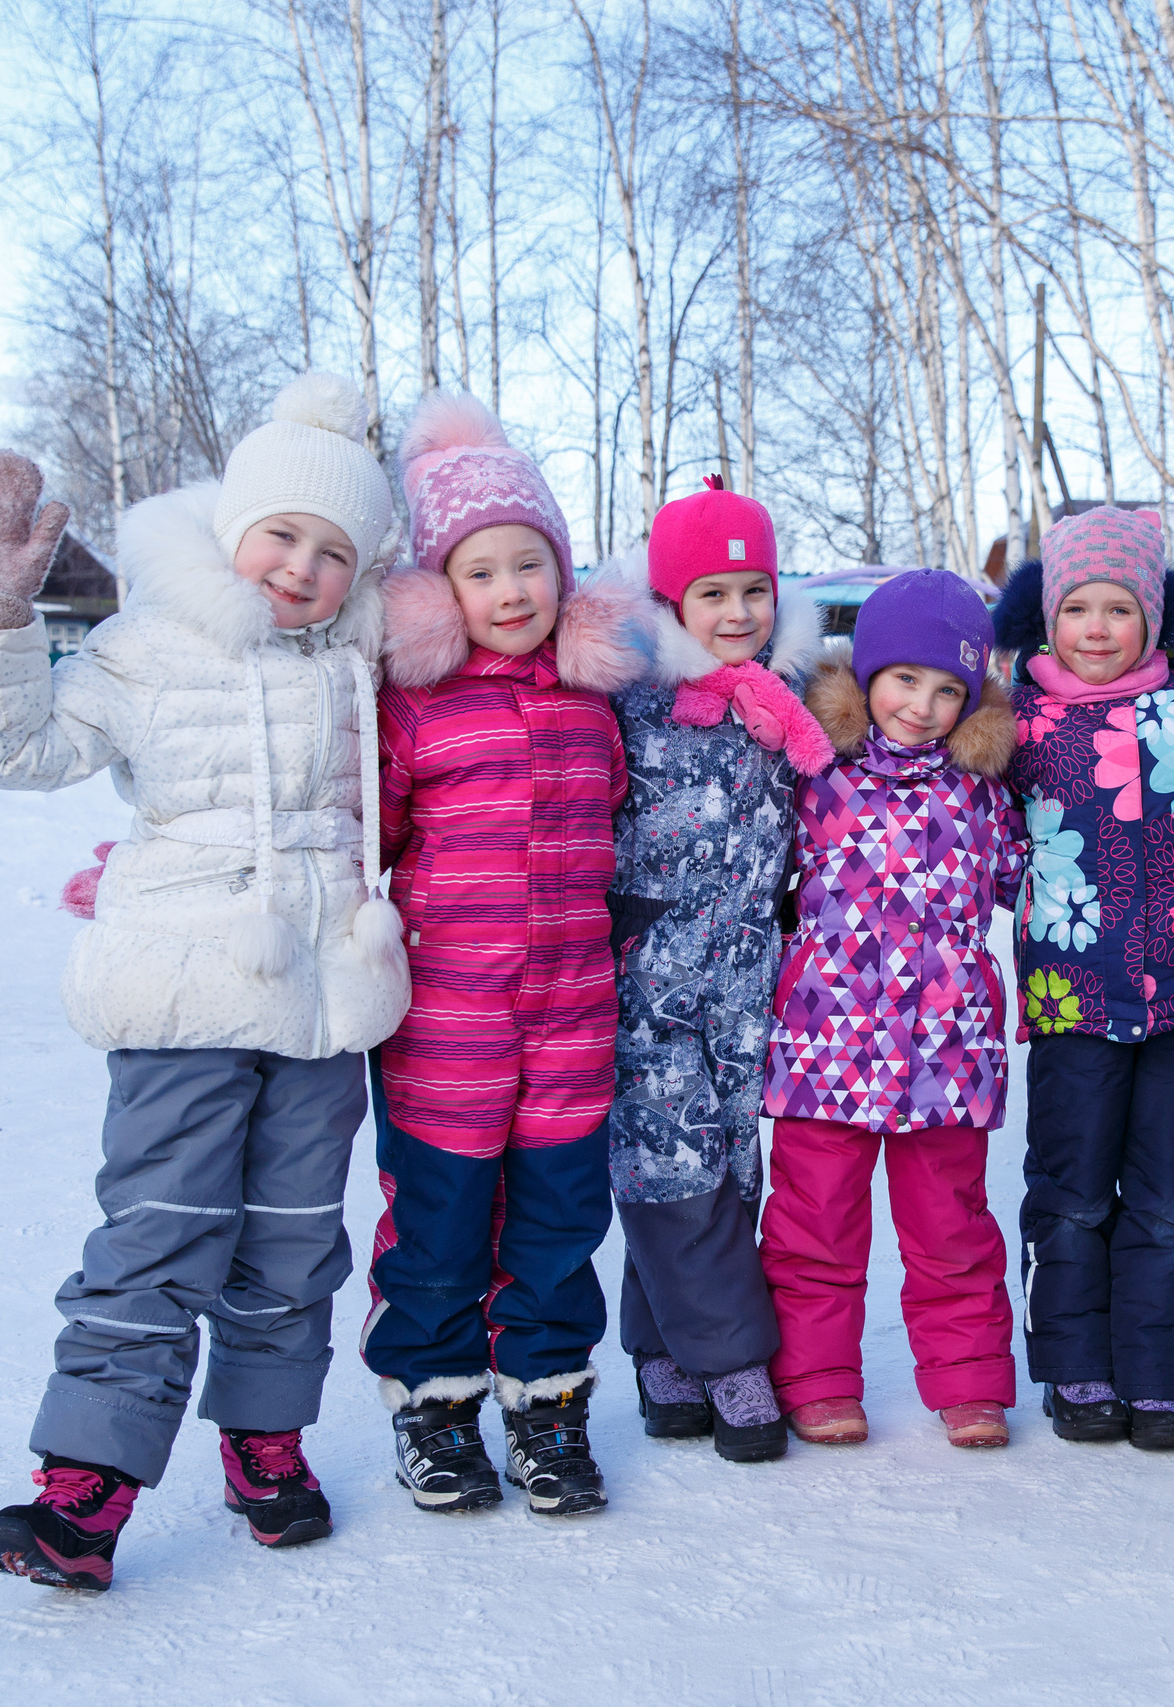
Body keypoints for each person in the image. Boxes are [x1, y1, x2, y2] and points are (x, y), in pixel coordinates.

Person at [0, 375, 410, 1589]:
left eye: (334, 550)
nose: (300, 566)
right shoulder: (150, 645)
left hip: (320, 1000)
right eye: (282, 534)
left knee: (297, 1244)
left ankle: (265, 1442)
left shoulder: (365, 667)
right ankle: (85, 1487)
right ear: (232, 528)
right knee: (158, 1234)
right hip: (185, 986)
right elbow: (23, 749)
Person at [363, 393, 651, 1518]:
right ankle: (434, 1411)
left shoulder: (594, 709)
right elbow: (365, 838)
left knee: (557, 1225)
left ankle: (548, 1406)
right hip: (447, 1028)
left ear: (561, 575)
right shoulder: (414, 709)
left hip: (573, 1022)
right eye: (481, 572)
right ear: (443, 589)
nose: (510, 591)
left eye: (529, 564)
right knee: (436, 1224)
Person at [988, 505, 1174, 1452]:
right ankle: (1076, 1368)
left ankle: (1158, 1378)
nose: (1097, 629)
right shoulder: (1015, 720)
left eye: (1120, 609)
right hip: (1074, 993)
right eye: (1078, 609)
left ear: (1156, 619)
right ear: (1046, 617)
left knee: (1173, 1195)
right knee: (1070, 1188)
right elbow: (980, 831)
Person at [759, 571, 1030, 1449]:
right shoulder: (817, 776)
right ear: (867, 673)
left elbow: (1036, 878)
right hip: (823, 1049)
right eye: (906, 679)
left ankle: (969, 1381)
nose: (923, 705)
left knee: (952, 1226)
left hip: (946, 1055)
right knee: (813, 1225)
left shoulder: (984, 795)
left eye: (949, 688)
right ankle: (819, 1377)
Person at [603, 476, 833, 1463]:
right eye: (713, 594)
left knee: (732, 1161)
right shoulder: (633, 699)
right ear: (671, 603)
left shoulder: (791, 704)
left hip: (750, 974)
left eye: (754, 590)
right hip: (651, 971)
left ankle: (663, 1349)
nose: (738, 613)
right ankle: (735, 1360)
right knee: (670, 1156)